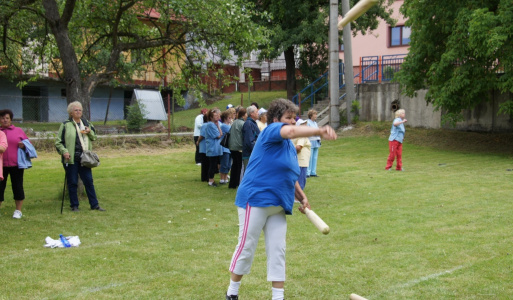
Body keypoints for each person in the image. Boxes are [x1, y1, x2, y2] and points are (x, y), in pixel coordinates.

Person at [226, 98, 337, 300]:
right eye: (289, 118)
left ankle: (278, 297)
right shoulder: (269, 133)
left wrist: (302, 196)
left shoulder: (287, 146)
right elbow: (292, 131)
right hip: (256, 199)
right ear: (276, 119)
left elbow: (289, 175)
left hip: (278, 205)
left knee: (278, 250)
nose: (293, 122)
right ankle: (232, 293)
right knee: (247, 246)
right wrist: (319, 131)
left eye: (294, 118)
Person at [55, 101, 105, 212]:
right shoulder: (66, 124)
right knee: (72, 182)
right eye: (75, 110)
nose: (78, 112)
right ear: (71, 112)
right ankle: (74, 205)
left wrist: (89, 132)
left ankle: (94, 205)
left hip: (85, 158)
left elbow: (94, 137)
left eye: (80, 110)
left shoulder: (86, 123)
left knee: (88, 181)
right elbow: (58, 142)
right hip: (71, 158)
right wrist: (64, 151)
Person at [0, 109, 34, 219]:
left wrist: (23, 145)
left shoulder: (18, 131)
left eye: (7, 118)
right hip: (1, 165)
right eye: (2, 118)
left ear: (11, 119)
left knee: (18, 186)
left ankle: (18, 210)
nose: (4, 120)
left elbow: (28, 144)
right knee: (0, 187)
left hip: (16, 165)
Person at [228, 107, 246, 189]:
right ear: (243, 115)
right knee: (239, 166)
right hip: (239, 147)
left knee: (234, 165)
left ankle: (232, 184)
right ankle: (238, 183)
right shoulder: (242, 124)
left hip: (232, 146)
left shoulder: (234, 122)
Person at [205, 108, 223, 187]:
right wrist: (218, 126)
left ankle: (212, 180)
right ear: (211, 117)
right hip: (212, 148)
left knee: (215, 164)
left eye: (217, 115)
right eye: (215, 116)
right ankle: (210, 181)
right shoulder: (210, 125)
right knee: (212, 165)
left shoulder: (214, 124)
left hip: (215, 148)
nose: (217, 117)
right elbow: (219, 135)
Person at [292, 119, 311, 190]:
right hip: (301, 161)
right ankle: (298, 197)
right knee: (301, 179)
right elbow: (298, 147)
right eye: (303, 125)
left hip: (298, 160)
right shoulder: (302, 135)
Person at [241, 105, 260, 172]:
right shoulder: (248, 124)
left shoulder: (253, 123)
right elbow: (249, 141)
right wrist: (257, 151)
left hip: (252, 154)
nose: (258, 113)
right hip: (249, 155)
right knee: (249, 174)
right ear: (251, 113)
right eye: (256, 112)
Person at [306, 109, 321, 177]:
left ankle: (313, 172)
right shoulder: (308, 122)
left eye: (316, 114)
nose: (316, 116)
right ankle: (307, 173)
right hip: (310, 141)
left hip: (316, 141)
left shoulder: (315, 123)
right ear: (311, 115)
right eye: (315, 114)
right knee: (310, 157)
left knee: (315, 157)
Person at [219, 110, 232, 184]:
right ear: (225, 118)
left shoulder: (229, 126)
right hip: (224, 148)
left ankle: (226, 177)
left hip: (229, 148)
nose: (230, 119)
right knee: (224, 163)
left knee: (228, 164)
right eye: (229, 118)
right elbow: (231, 132)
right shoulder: (224, 126)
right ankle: (222, 178)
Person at [196, 114, 209, 182]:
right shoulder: (205, 125)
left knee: (205, 163)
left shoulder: (206, 125)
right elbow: (202, 135)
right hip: (204, 147)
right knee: (205, 163)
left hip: (204, 147)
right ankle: (205, 177)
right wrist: (198, 141)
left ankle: (205, 177)